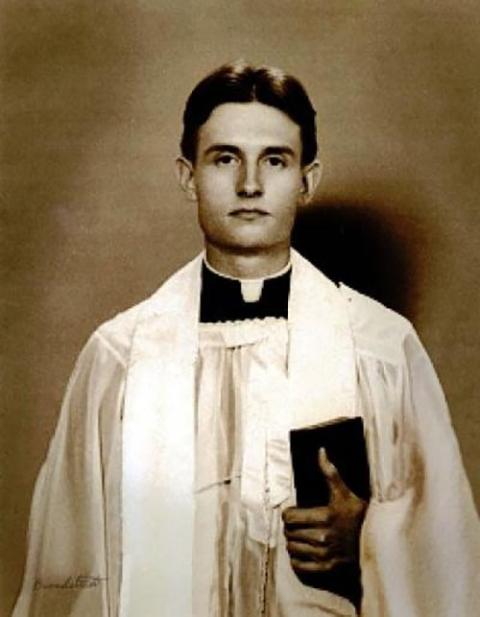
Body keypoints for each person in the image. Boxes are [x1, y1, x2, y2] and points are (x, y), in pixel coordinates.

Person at [12, 61, 480, 617]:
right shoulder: (120, 356)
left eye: (275, 160)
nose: (250, 185)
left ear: (308, 180)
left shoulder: (379, 348)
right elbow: (69, 562)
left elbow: (448, 554)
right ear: (189, 176)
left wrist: (369, 538)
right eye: (225, 158)